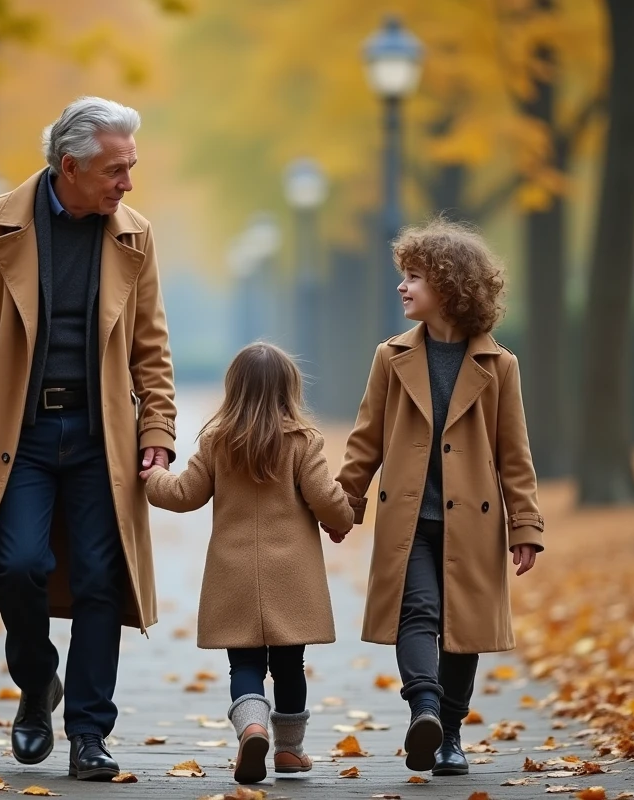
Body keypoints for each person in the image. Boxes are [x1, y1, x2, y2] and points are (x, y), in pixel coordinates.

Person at [0, 97, 177, 782]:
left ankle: (90, 733)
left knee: (100, 579)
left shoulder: (135, 235)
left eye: (130, 167)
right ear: (71, 167)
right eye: (116, 170)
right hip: (20, 434)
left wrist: (157, 427)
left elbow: (151, 345)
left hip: (102, 437)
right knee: (19, 566)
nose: (127, 182)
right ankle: (38, 684)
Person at [327, 218, 544, 777]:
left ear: (449, 286)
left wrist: (525, 527)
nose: (402, 286)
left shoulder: (500, 366)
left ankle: (449, 736)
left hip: (473, 522)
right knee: (417, 612)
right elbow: (366, 440)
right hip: (410, 518)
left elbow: (514, 454)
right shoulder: (390, 357)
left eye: (414, 277)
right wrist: (345, 505)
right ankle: (424, 709)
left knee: (462, 629)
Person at [140, 343, 353, 785]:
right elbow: (327, 500)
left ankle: (252, 728)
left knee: (245, 666)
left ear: (233, 389)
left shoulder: (217, 442)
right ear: (289, 390)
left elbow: (183, 495)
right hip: (291, 578)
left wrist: (152, 477)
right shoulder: (302, 442)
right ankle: (290, 751)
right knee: (290, 666)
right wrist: (343, 517)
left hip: (233, 576)